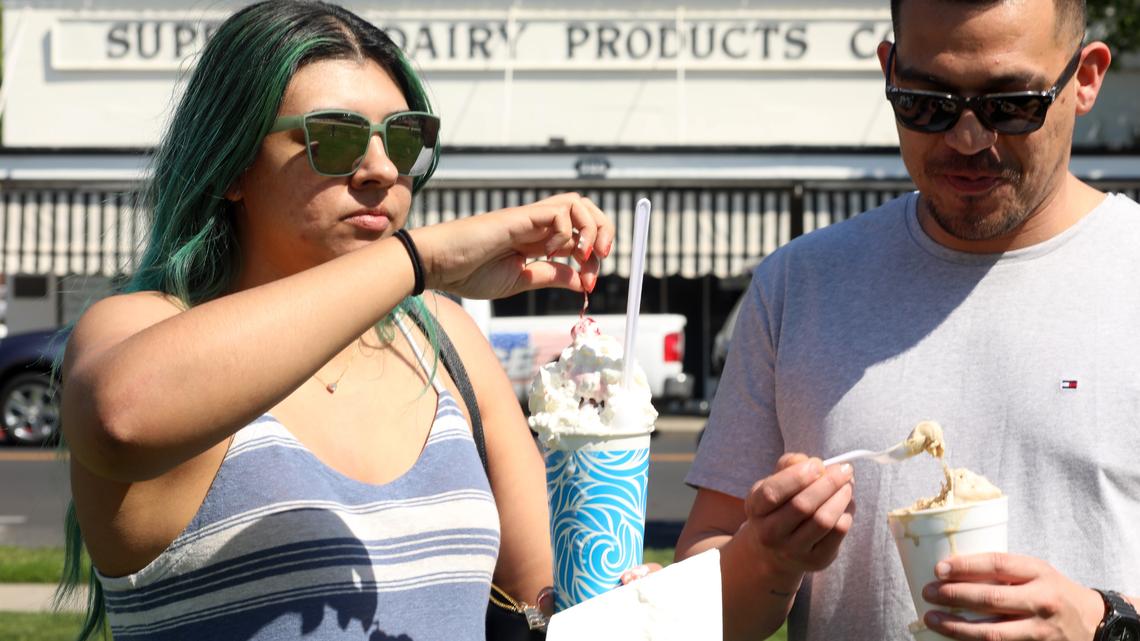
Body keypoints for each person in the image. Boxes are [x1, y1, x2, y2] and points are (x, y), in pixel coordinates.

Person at [55, 2, 613, 640]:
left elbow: (539, 596)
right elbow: (120, 416)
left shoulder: (440, 337)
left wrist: (620, 598)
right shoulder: (139, 325)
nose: (380, 169)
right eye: (335, 138)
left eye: (403, 139)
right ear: (234, 165)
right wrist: (420, 258)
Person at [677, 0, 1139, 640]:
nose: (967, 138)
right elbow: (703, 596)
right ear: (889, 72)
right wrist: (768, 556)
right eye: (927, 101)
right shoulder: (800, 285)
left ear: (1084, 78)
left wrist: (1105, 621)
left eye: (1010, 104)